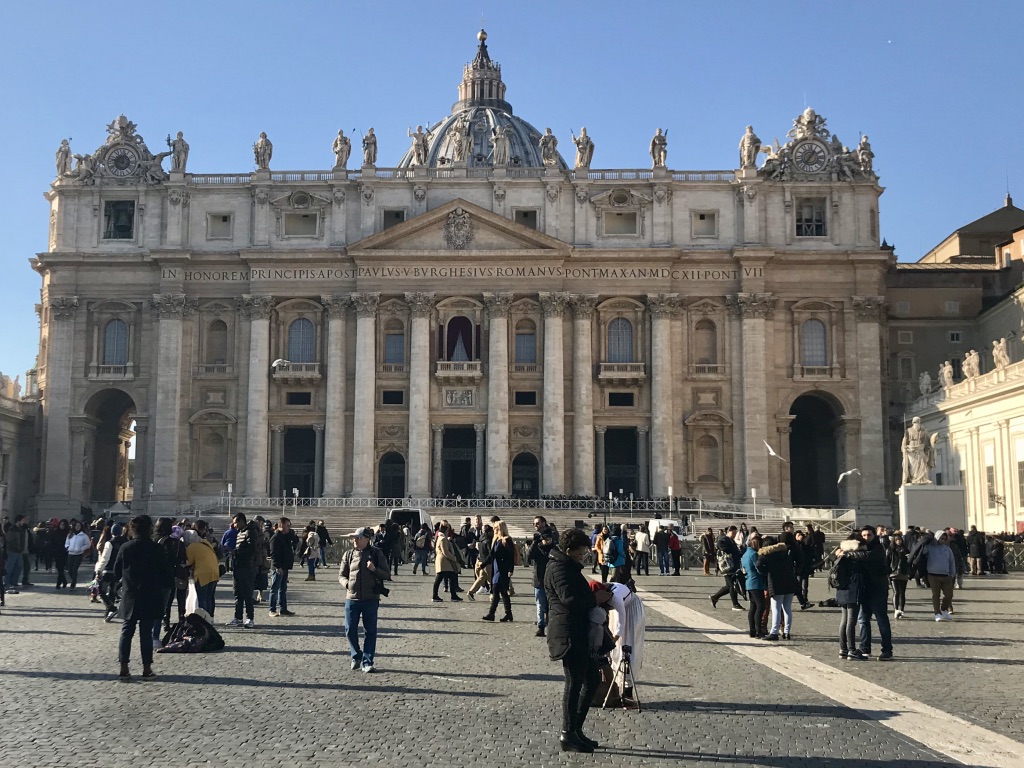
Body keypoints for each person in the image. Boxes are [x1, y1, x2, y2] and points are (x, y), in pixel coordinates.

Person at [544, 527, 601, 753]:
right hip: (568, 632)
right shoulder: (558, 567)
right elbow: (570, 599)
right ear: (569, 550)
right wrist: (595, 597)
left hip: (577, 630)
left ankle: (575, 729)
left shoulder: (566, 565)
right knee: (574, 681)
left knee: (592, 679)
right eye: (580, 551)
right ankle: (568, 733)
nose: (583, 555)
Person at [114, 515, 171, 679]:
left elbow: (117, 571)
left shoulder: (125, 547)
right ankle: (146, 669)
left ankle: (124, 667)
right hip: (150, 595)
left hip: (130, 594)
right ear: (149, 529)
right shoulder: (157, 549)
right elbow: (166, 573)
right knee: (146, 633)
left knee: (126, 631)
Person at [339, 526, 391, 673]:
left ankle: (368, 661)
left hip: (371, 598)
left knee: (370, 631)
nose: (355, 540)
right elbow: (341, 575)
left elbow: (386, 574)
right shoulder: (348, 554)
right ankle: (356, 655)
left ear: (367, 539)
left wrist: (374, 569)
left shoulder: (376, 553)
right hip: (352, 598)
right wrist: (347, 584)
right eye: (354, 538)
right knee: (349, 629)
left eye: (358, 537)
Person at [843, 525, 894, 660]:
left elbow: (866, 556)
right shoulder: (861, 547)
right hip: (864, 588)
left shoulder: (878, 548)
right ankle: (865, 648)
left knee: (881, 619)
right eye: (864, 535)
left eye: (869, 535)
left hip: (878, 588)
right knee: (863, 620)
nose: (866, 538)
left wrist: (848, 553)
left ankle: (887, 650)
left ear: (874, 535)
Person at [755, 535, 800, 641]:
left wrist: (766, 572)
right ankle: (786, 632)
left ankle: (774, 632)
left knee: (776, 609)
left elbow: (758, 564)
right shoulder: (784, 553)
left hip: (776, 584)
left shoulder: (769, 555)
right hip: (789, 583)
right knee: (787, 609)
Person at [834, 533, 865, 659]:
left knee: (844, 620)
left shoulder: (841, 555)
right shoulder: (855, 557)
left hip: (841, 589)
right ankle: (852, 650)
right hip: (853, 589)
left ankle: (843, 649)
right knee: (851, 621)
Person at [226, 518, 259, 629]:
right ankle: (238, 617)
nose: (234, 525)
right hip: (238, 566)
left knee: (247, 594)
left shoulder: (250, 532)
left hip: (246, 567)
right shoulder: (240, 532)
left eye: (236, 522)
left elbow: (251, 549)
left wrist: (236, 552)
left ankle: (250, 617)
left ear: (241, 521)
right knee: (238, 593)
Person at [157, 521, 188, 631]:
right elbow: (185, 559)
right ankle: (181, 619)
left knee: (168, 600)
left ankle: (166, 621)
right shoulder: (180, 544)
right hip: (180, 574)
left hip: (167, 574)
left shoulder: (164, 542)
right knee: (181, 598)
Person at [482, 521, 515, 622]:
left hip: (503, 569)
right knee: (503, 592)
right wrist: (483, 564)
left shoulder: (506, 540)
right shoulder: (496, 540)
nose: (494, 530)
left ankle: (491, 613)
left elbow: (511, 556)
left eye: (496, 528)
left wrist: (511, 569)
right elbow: (491, 555)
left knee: (496, 590)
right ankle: (508, 614)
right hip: (496, 568)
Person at [185, 523, 219, 617]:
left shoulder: (191, 546)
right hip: (214, 572)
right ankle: (210, 617)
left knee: (202, 598)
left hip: (202, 574)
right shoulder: (205, 542)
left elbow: (188, 562)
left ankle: (203, 619)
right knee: (209, 597)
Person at [527, 524, 556, 637]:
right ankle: (541, 626)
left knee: (551, 605)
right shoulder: (537, 548)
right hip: (539, 580)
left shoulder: (554, 549)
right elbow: (529, 557)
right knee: (540, 605)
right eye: (545, 538)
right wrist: (534, 542)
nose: (547, 541)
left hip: (552, 581)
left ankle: (551, 625)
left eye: (549, 538)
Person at [96, 523, 127, 621]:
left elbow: (105, 558)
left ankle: (111, 608)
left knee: (101, 591)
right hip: (119, 571)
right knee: (113, 592)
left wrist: (99, 570)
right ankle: (108, 614)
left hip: (108, 570)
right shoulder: (125, 542)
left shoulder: (110, 543)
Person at [924, 530, 956, 621]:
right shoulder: (929, 547)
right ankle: (937, 613)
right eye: (941, 538)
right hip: (933, 575)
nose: (943, 540)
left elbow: (952, 562)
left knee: (949, 594)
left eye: (944, 539)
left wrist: (952, 573)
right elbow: (921, 553)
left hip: (946, 575)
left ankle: (944, 609)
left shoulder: (947, 549)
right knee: (936, 595)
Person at [741, 534, 768, 638]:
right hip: (756, 582)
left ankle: (752, 630)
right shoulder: (754, 554)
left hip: (749, 582)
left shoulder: (745, 554)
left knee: (753, 607)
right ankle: (758, 630)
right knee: (761, 606)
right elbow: (759, 568)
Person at [710, 526, 743, 610]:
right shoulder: (725, 539)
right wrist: (728, 551)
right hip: (727, 566)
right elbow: (719, 544)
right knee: (732, 585)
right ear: (728, 532)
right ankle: (735, 604)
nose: (734, 535)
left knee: (729, 586)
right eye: (733, 533)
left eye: (735, 533)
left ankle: (715, 597)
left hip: (733, 566)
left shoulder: (731, 540)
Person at [268, 517, 295, 617]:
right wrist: (277, 566)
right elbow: (273, 554)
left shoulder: (286, 536)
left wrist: (292, 534)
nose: (289, 527)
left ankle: (283, 608)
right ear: (281, 525)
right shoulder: (275, 537)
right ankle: (272, 609)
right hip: (278, 567)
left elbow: (295, 542)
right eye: (287, 525)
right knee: (274, 589)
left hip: (285, 566)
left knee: (283, 589)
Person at [432, 522, 464, 603]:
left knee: (444, 578)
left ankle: (451, 595)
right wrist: (454, 558)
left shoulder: (441, 537)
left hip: (443, 561)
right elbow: (445, 551)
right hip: (444, 561)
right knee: (444, 578)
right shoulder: (442, 539)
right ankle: (439, 595)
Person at [901, 416, 934, 485]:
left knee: (923, 463)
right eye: (916, 422)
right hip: (911, 450)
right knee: (913, 467)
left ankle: (922, 479)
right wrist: (904, 448)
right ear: (913, 423)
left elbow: (929, 440)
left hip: (921, 449)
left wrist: (934, 440)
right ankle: (914, 479)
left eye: (919, 422)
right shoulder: (908, 430)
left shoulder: (923, 431)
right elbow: (904, 441)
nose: (918, 423)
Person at [887, 532, 910, 619]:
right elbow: (887, 561)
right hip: (894, 573)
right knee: (896, 592)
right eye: (896, 540)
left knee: (902, 593)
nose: (898, 542)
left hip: (903, 573)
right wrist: (888, 572)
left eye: (899, 540)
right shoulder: (890, 550)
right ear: (894, 541)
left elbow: (909, 562)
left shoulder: (906, 550)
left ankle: (902, 609)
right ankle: (896, 609)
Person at [4, 515, 30, 591]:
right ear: (18, 521)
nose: (23, 522)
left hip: (19, 551)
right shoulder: (12, 529)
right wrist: (17, 547)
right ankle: (6, 582)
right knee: (10, 567)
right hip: (12, 550)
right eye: (22, 520)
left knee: (19, 566)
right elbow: (10, 540)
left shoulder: (21, 529)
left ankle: (14, 581)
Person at [65, 519, 92, 590]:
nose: (77, 527)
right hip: (70, 553)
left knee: (74, 569)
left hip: (78, 554)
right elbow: (67, 543)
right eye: (76, 526)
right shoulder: (70, 535)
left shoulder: (84, 535)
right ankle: (73, 579)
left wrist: (81, 549)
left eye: (79, 526)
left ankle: (73, 583)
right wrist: (68, 547)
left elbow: (88, 544)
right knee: (70, 570)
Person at [52, 519, 70, 589]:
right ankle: (63, 581)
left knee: (61, 569)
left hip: (64, 553)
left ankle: (59, 583)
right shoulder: (56, 532)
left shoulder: (68, 533)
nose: (62, 526)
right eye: (61, 524)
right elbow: (53, 542)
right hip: (57, 552)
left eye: (64, 525)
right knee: (59, 568)